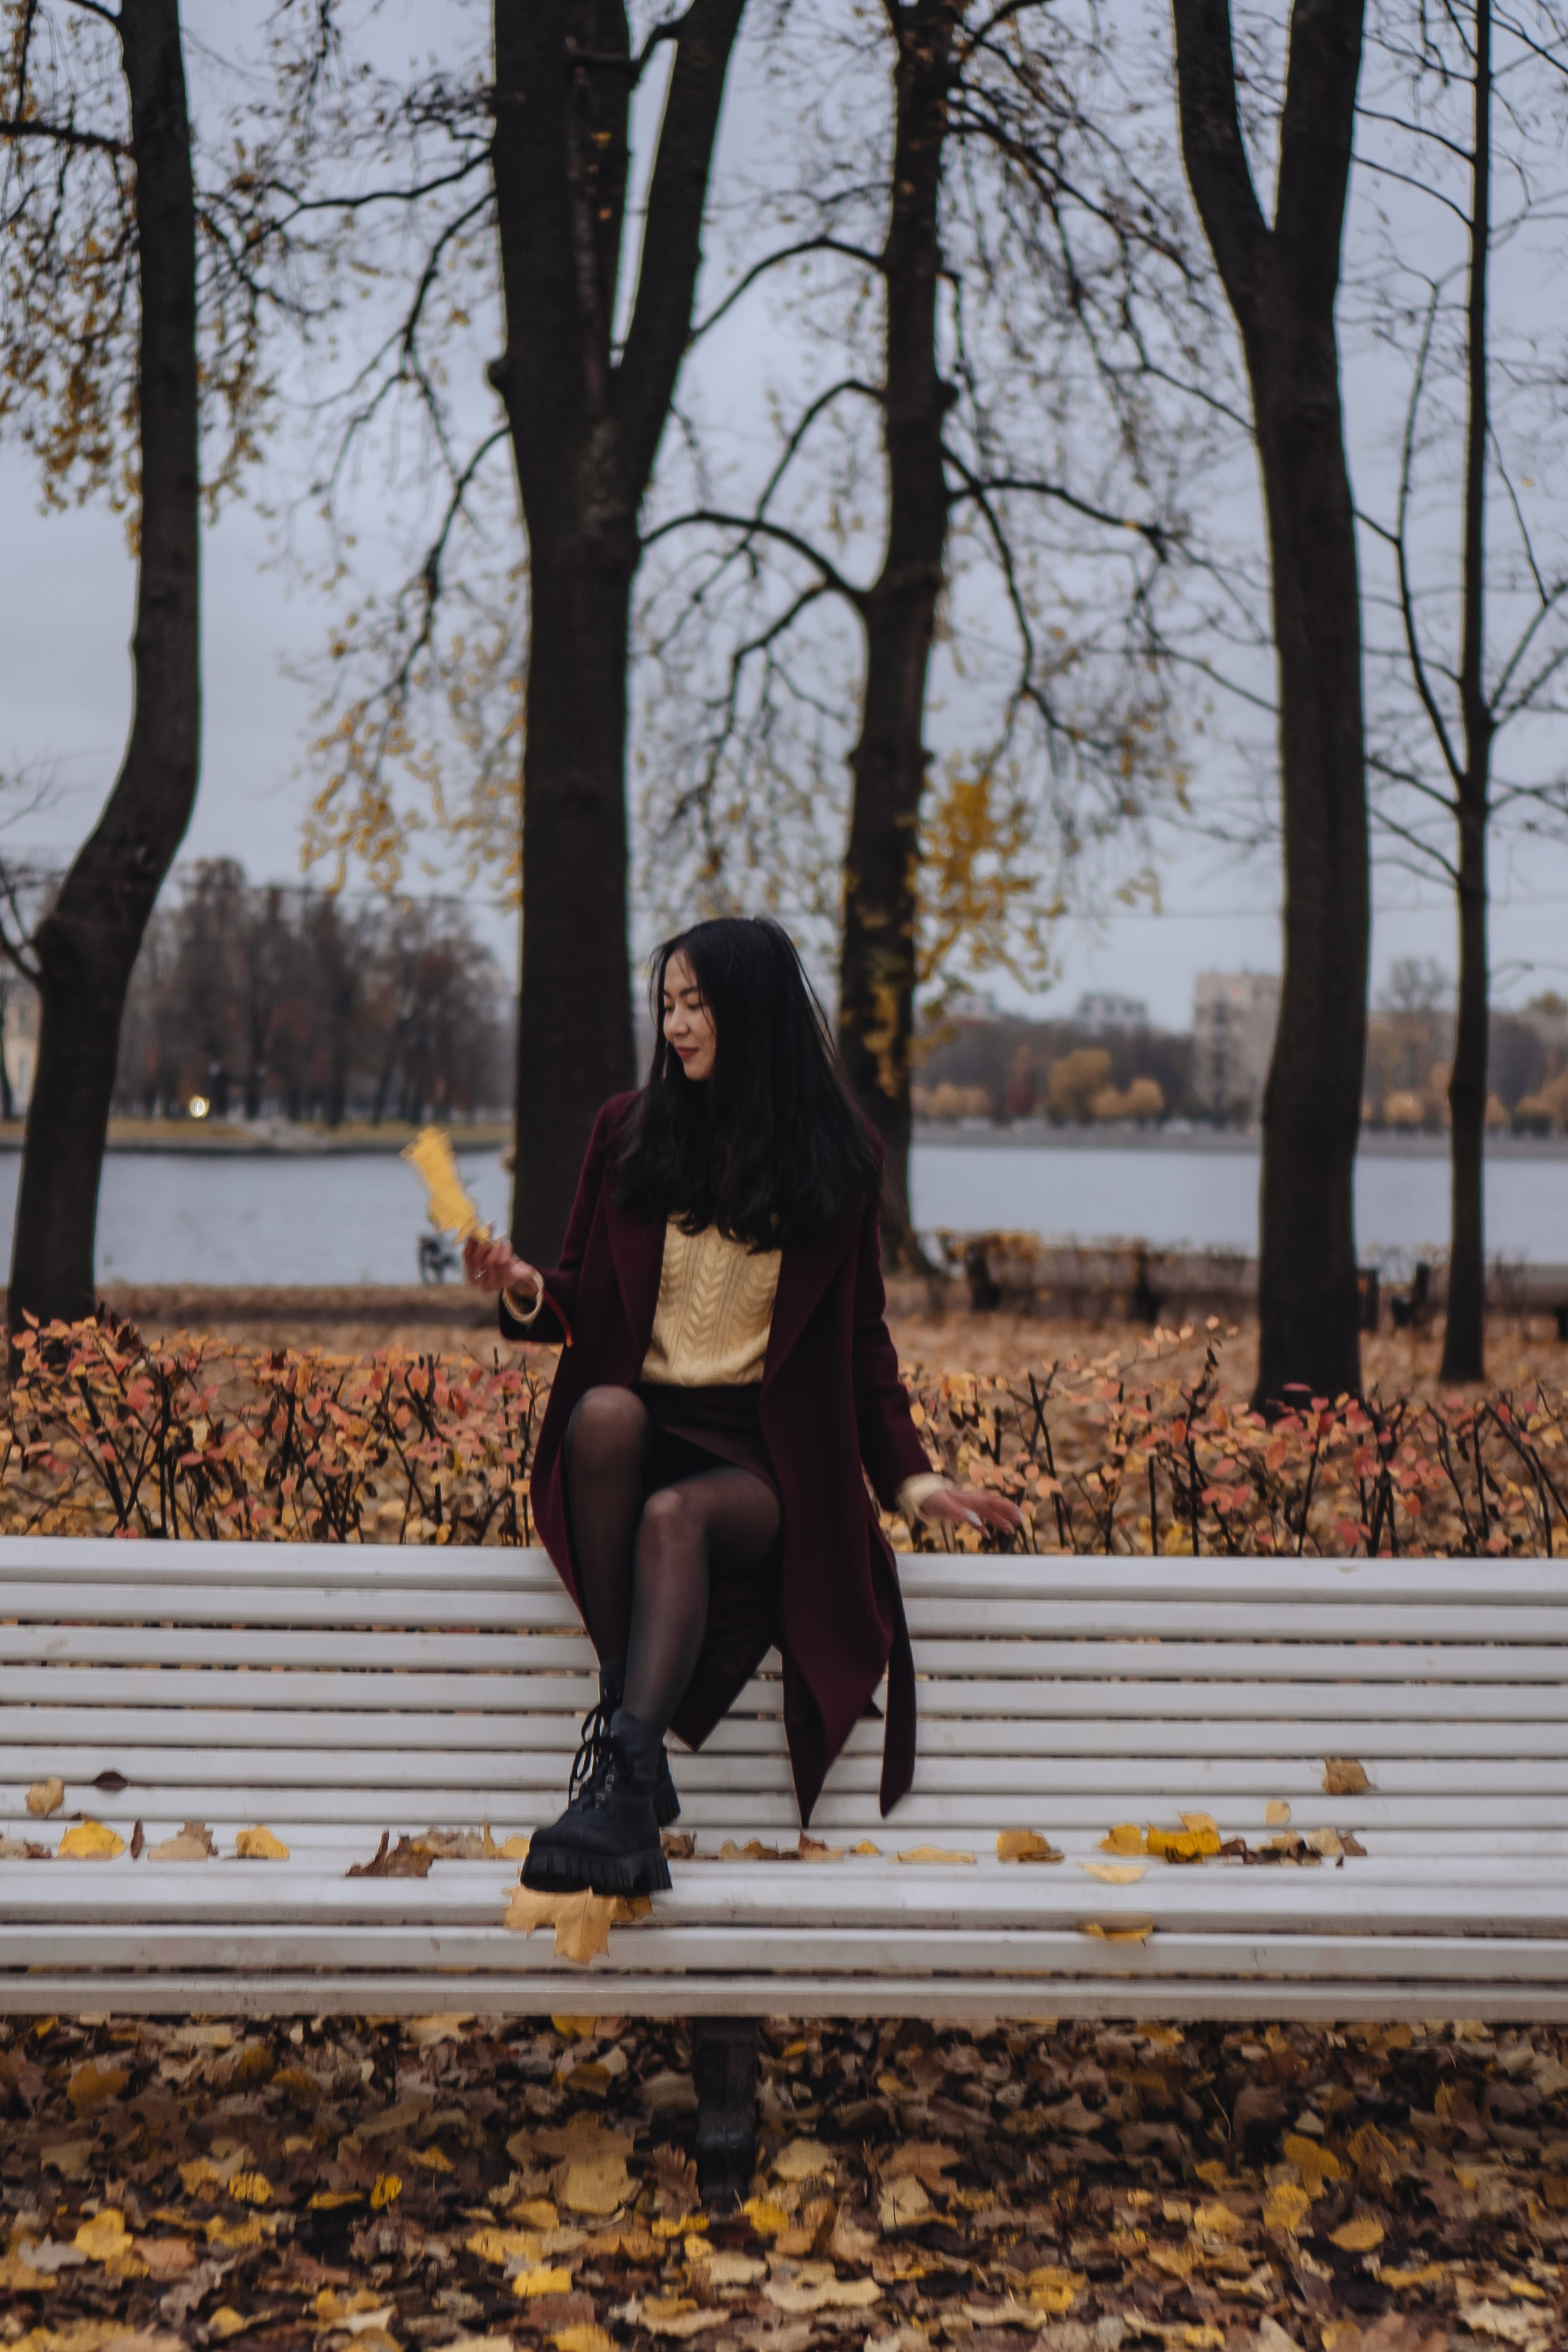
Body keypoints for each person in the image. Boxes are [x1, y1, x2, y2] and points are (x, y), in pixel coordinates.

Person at [466, 916, 1019, 1897]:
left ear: (751, 1008)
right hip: (648, 1430)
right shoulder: (625, 1131)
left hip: (760, 1461)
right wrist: (523, 1285)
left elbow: (860, 1342)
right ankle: (630, 1768)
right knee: (600, 1417)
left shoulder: (838, 1158)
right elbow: (588, 1301)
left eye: (696, 1004)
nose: (676, 1025)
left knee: (679, 1518)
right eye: (667, 1005)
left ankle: (620, 1778)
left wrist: (916, 1480)